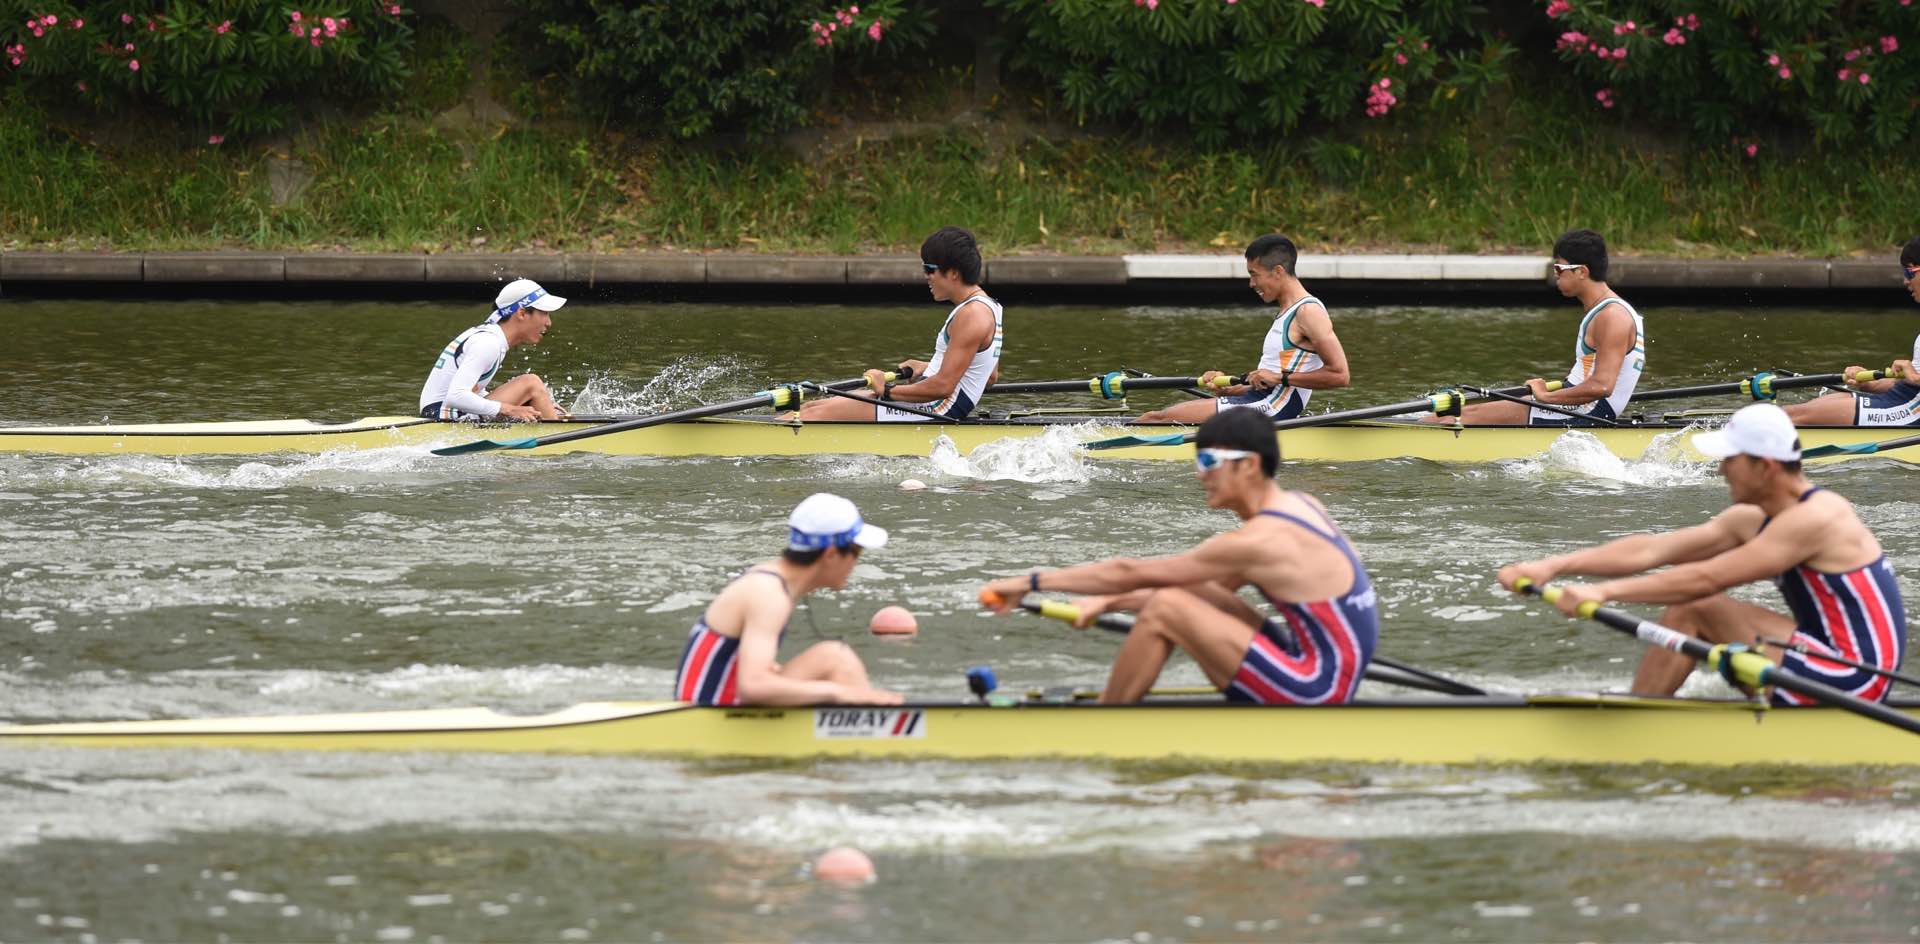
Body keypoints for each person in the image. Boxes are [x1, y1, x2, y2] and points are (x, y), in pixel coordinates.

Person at [1497, 403, 1906, 704]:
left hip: (1857, 679)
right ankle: (1648, 706)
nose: (1720, 469)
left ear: (1765, 467)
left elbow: (1707, 579)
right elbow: (1652, 549)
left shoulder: (1817, 518)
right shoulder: (1755, 517)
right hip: (1822, 650)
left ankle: (1638, 720)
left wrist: (1602, 592)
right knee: (1695, 606)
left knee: (1697, 606)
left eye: (1730, 459)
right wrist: (1553, 565)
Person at [979, 408, 1379, 704]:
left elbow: (1130, 572)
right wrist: (1105, 603)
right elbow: (1203, 591)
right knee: (1191, 595)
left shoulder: (1256, 542)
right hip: (1321, 666)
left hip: (1319, 687)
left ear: (1249, 466)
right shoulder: (1303, 505)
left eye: (1209, 461)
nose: (1199, 474)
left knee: (1167, 609)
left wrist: (1029, 582)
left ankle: (1106, 720)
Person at [674, 493, 904, 706]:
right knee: (837, 660)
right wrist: (837, 692)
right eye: (856, 552)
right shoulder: (769, 594)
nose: (856, 563)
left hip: (718, 700)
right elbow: (752, 686)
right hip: (710, 712)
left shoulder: (770, 580)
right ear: (831, 554)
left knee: (833, 655)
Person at [1423, 228, 1645, 426]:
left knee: (1449, 419)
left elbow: (1602, 386)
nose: (1555, 275)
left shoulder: (1611, 316)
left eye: (1559, 268)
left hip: (1588, 411)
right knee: (1452, 411)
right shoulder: (1607, 310)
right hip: (1578, 403)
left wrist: (1545, 396)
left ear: (1582, 272)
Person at [795, 227, 1003, 422]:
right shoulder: (989, 306)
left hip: (937, 409)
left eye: (929, 269)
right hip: (937, 404)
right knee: (812, 406)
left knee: (813, 414)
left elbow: (943, 386)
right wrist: (928, 367)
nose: (926, 276)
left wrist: (886, 389)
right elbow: (988, 376)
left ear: (954, 273)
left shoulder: (971, 315)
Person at [1138, 234, 1351, 424]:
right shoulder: (1286, 312)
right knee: (1158, 416)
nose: (1251, 283)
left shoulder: (1308, 312)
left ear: (1278, 271)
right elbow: (1268, 382)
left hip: (1273, 408)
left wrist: (1280, 377)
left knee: (1156, 418)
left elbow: (1340, 375)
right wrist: (1227, 389)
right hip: (1261, 401)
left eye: (1254, 274)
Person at [1784, 235, 1920, 427]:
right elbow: (1911, 385)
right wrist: (1870, 384)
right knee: (1788, 413)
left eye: (1909, 273)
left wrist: (1914, 377)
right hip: (1901, 402)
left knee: (1791, 418)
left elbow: (1915, 382)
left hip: (1910, 412)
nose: (1905, 281)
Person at [417, 278, 568, 422]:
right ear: (522, 313)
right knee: (531, 383)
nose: (549, 322)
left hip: (444, 413)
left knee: (533, 394)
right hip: (442, 416)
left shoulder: (492, 337)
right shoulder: (488, 343)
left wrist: (535, 402)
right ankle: (558, 435)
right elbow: (455, 396)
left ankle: (550, 421)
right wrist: (509, 409)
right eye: (544, 313)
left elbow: (473, 391)